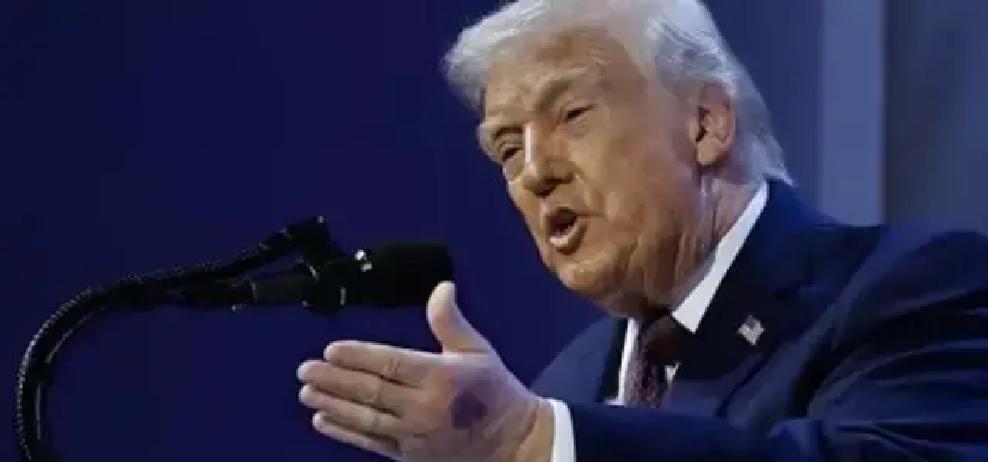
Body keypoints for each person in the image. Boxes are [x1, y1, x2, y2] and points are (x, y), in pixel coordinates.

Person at [295, 0, 988, 460]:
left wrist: (534, 445)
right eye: (506, 148)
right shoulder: (566, 384)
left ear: (706, 124)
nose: (533, 172)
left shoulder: (913, 287)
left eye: (572, 116)